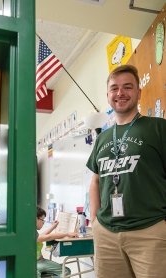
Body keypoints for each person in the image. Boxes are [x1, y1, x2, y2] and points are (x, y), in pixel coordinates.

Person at [86, 64, 166, 278]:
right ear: (108, 95)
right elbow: (95, 181)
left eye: (127, 87)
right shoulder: (102, 137)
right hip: (106, 233)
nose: (120, 93)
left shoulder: (159, 128)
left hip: (149, 230)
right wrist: (95, 221)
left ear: (139, 92)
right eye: (114, 88)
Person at [36, 206, 77, 278]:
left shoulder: (31, 230)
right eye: (42, 220)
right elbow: (48, 237)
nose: (43, 222)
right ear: (35, 219)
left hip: (39, 261)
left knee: (65, 270)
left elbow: (42, 236)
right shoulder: (30, 231)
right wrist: (67, 233)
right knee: (66, 271)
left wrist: (53, 226)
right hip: (36, 263)